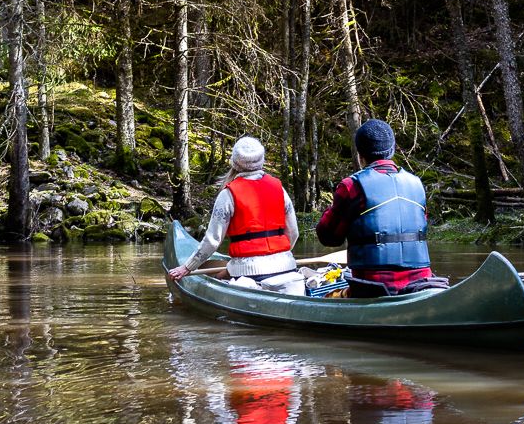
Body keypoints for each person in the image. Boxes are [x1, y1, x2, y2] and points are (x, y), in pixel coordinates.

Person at [316, 118, 437, 297]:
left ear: (360, 154)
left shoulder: (351, 186)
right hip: (421, 284)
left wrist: (331, 209)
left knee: (329, 295)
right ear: (392, 150)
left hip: (373, 286)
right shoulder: (417, 184)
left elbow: (328, 237)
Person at [166, 136, 305, 292]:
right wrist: (280, 256)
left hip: (248, 273)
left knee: (219, 277)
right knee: (223, 273)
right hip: (287, 267)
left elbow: (213, 241)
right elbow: (293, 233)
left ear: (235, 162)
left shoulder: (228, 194)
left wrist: (186, 268)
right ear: (262, 160)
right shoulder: (279, 189)